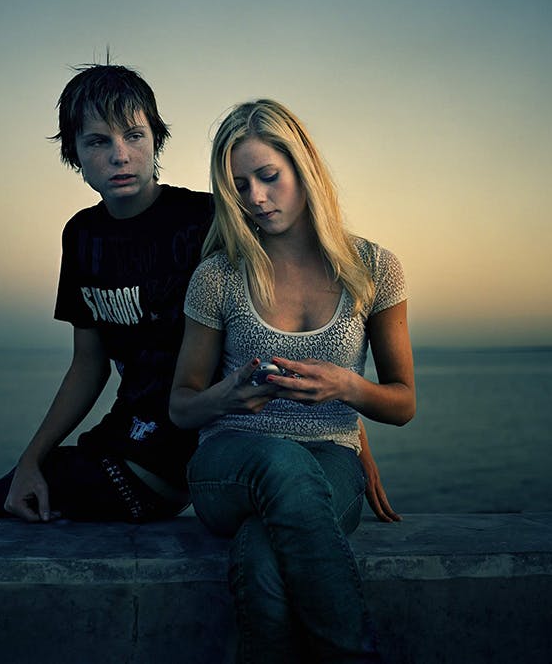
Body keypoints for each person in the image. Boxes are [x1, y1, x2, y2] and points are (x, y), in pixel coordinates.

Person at [0, 67, 397, 526]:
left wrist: (350, 444)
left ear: (156, 140)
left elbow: (292, 321)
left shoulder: (210, 220)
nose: (120, 155)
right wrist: (31, 459)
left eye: (134, 136)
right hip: (121, 442)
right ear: (73, 153)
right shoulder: (81, 236)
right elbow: (88, 364)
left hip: (193, 454)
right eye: (97, 142)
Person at [169, 99, 416, 662]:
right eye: (239, 186)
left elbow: (403, 403)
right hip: (229, 461)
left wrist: (346, 387)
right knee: (281, 462)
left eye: (268, 176)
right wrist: (229, 395)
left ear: (304, 168)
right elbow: (181, 406)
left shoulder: (375, 268)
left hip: (331, 458)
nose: (255, 197)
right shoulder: (219, 275)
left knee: (261, 554)